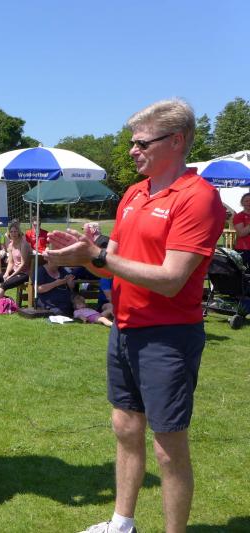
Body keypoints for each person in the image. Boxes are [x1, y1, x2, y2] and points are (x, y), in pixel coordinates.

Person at [46, 99, 224, 533]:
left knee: (168, 448)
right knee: (125, 428)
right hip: (125, 329)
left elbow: (172, 279)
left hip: (169, 337)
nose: (132, 150)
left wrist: (97, 256)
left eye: (142, 142)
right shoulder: (134, 194)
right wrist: (82, 255)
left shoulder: (198, 197)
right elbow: (111, 264)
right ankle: (122, 523)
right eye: (132, 142)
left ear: (176, 141)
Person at [233, 192, 250, 266]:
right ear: (242, 203)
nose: (249, 203)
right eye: (246, 201)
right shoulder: (239, 216)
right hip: (244, 250)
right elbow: (241, 233)